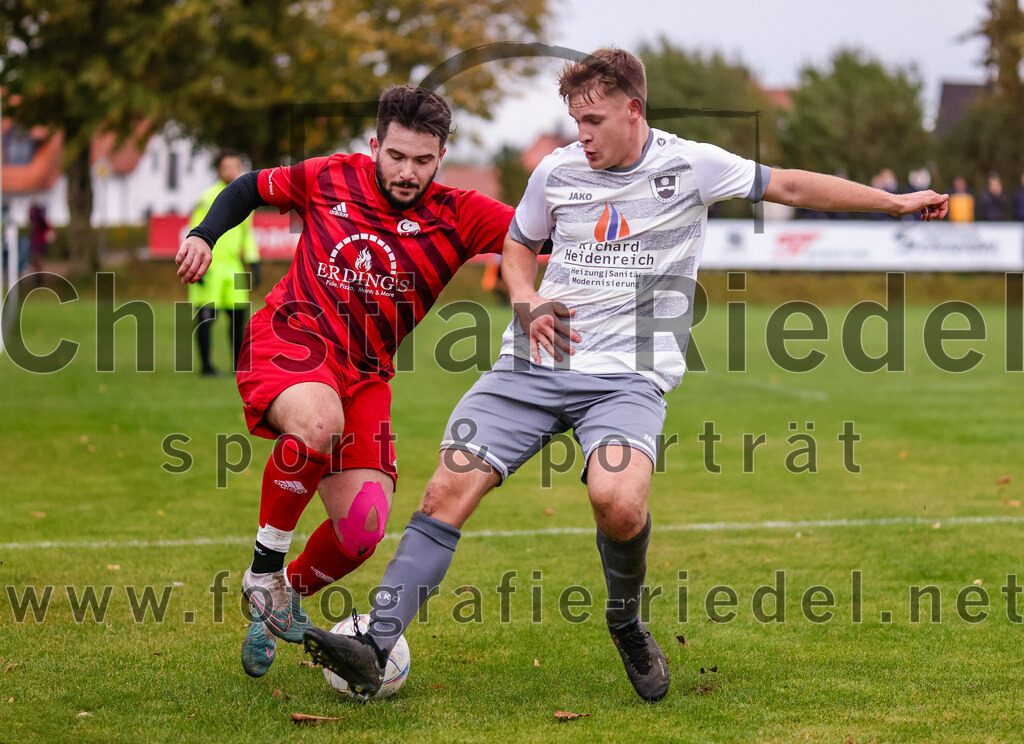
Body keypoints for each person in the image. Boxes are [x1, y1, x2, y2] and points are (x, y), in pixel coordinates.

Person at [302, 48, 949, 703]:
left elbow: (790, 186)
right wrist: (524, 299)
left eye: (593, 119)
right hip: (533, 365)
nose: (580, 134)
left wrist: (893, 203)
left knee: (617, 501)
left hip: (627, 379)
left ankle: (624, 620)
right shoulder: (556, 171)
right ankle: (375, 644)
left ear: (633, 111)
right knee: (447, 489)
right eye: (574, 119)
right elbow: (519, 245)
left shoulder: (690, 164)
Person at [174, 86, 514, 678]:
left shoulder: (460, 214)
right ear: (375, 144)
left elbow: (541, 235)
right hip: (290, 339)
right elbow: (251, 186)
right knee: (318, 421)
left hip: (365, 375)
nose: (408, 172)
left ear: (441, 155)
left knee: (361, 530)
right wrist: (205, 233)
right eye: (397, 156)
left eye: (423, 160)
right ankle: (263, 570)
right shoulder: (331, 176)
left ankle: (278, 602)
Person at [188, 150, 261, 376]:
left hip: (234, 268)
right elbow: (195, 230)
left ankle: (237, 366)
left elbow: (247, 234)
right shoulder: (209, 197)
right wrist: (194, 264)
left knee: (239, 318)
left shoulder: (245, 197)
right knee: (206, 319)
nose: (231, 171)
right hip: (210, 267)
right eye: (227, 167)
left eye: (235, 166)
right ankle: (206, 366)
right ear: (219, 170)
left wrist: (254, 262)